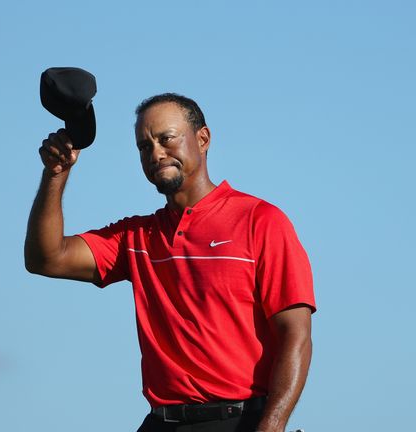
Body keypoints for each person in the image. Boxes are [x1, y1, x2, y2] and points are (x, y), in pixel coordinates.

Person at [25, 93, 316, 432]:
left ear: (202, 139)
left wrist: (273, 424)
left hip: (241, 421)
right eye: (144, 147)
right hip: (161, 423)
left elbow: (295, 334)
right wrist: (55, 175)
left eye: (166, 139)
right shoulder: (136, 237)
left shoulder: (261, 221)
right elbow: (46, 259)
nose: (156, 154)